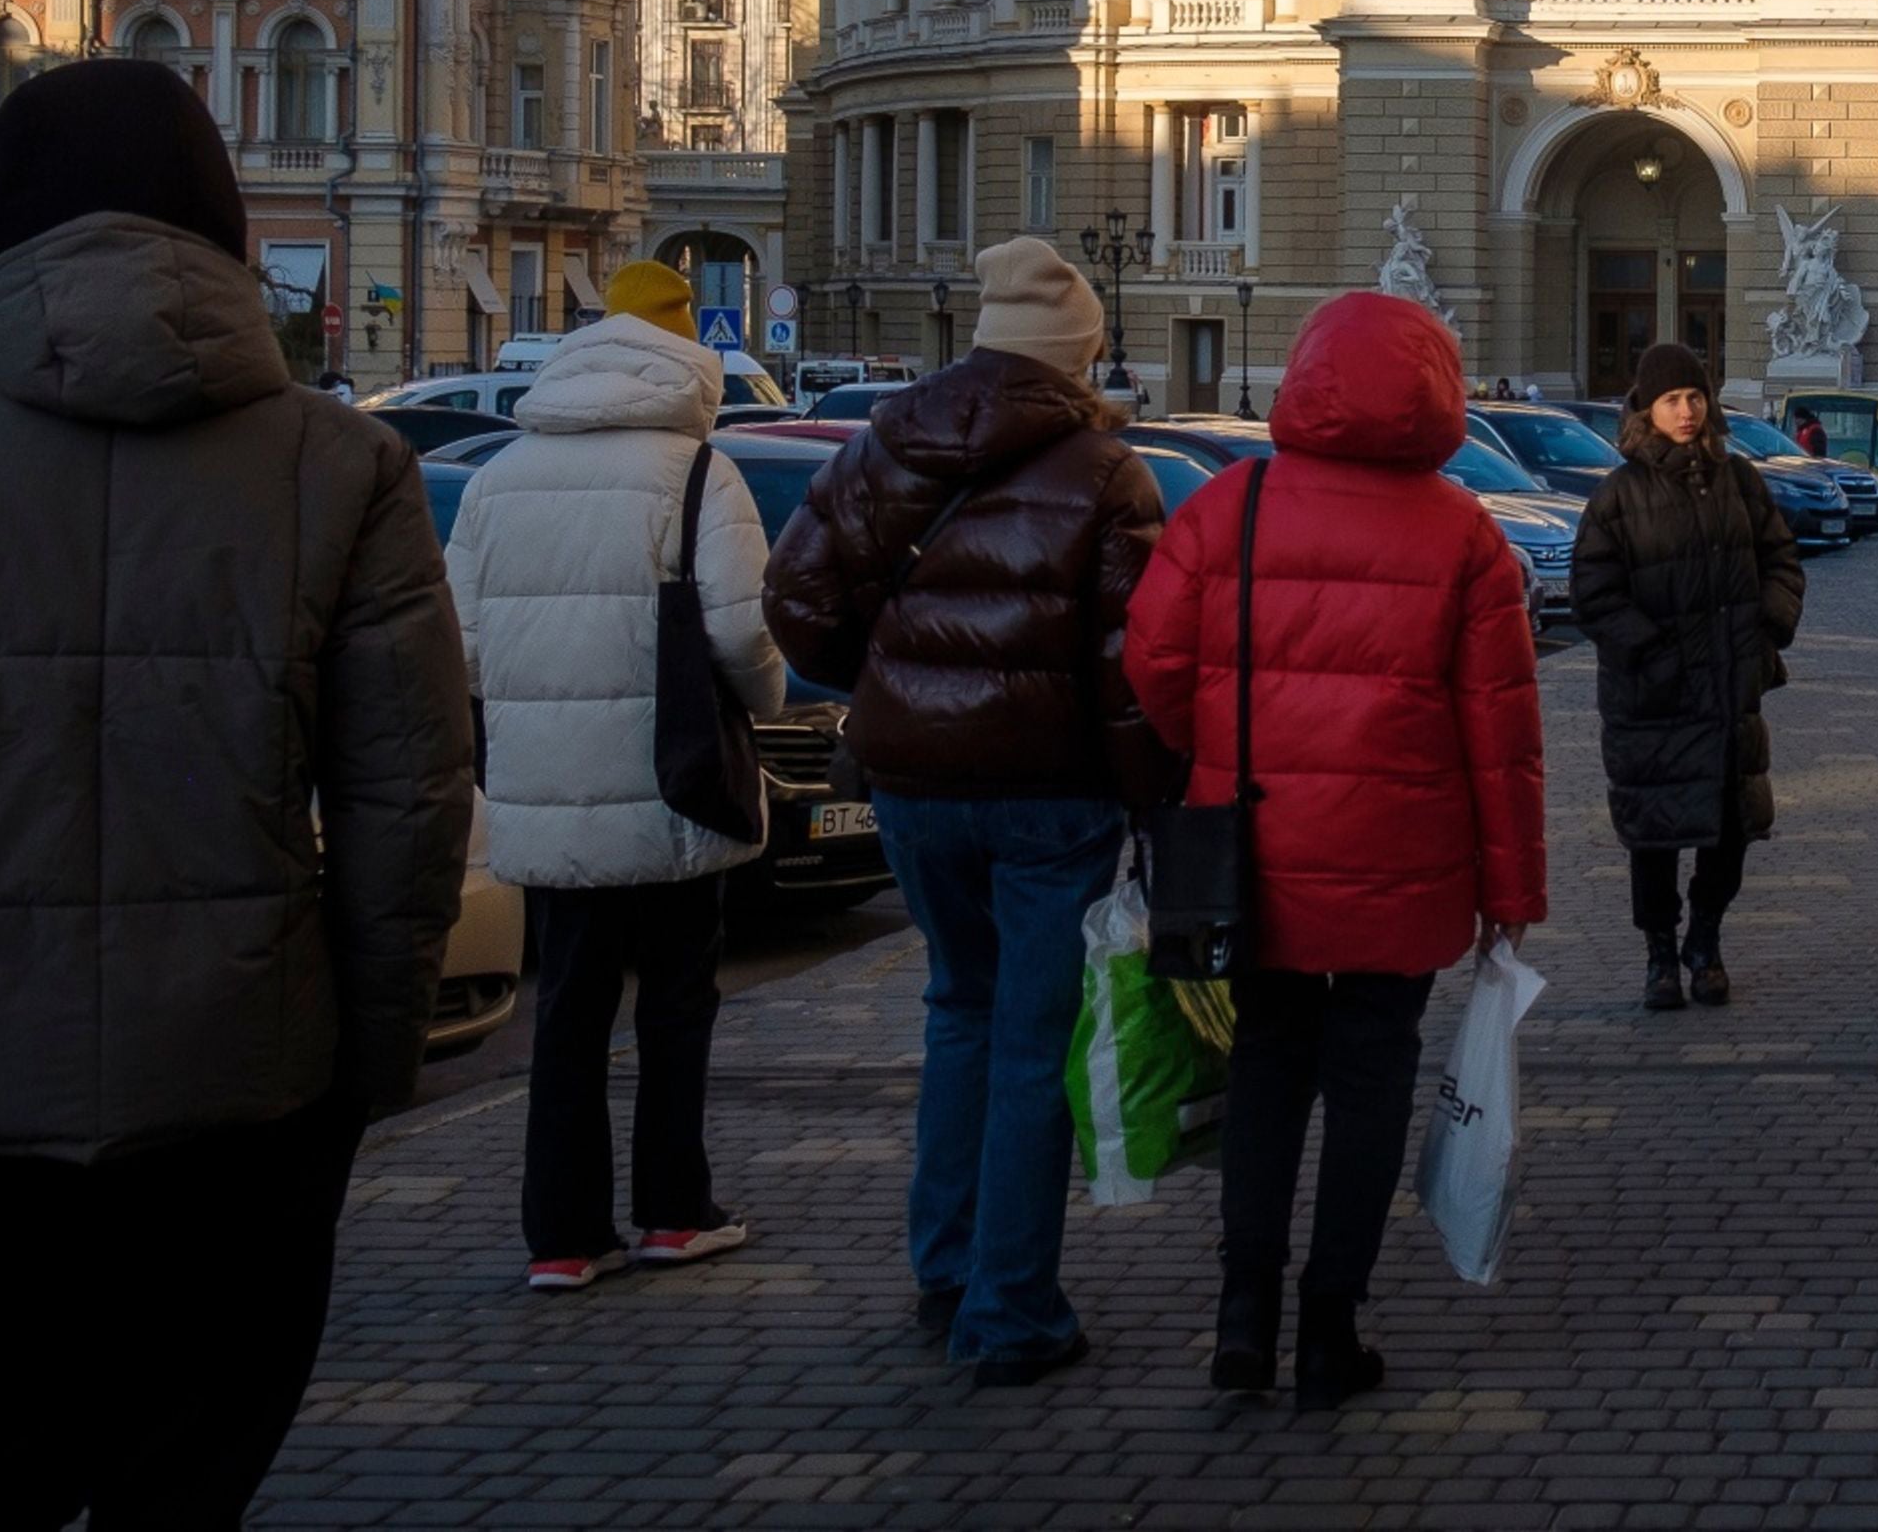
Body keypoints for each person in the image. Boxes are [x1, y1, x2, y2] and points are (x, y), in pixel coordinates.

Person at [0, 57, 470, 1530]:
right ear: (227, 228)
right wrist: (366, 1071)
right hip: (234, 1116)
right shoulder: (348, 462)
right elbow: (407, 809)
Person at [1127, 291, 1547, 1411]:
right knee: (1369, 1088)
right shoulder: (1462, 529)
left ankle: (1238, 1322)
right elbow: (1499, 733)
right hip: (1401, 865)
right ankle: (1328, 1331)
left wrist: (1211, 748)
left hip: (1249, 852)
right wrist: (1511, 890)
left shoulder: (1229, 505)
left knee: (1265, 1073)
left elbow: (1153, 669)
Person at [764, 238, 1169, 1389]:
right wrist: (1149, 797)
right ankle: (1011, 1311)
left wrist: (893, 684)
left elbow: (796, 601)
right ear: (1077, 355)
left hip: (915, 787)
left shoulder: (884, 438)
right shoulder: (1106, 469)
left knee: (959, 1016)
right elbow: (1126, 664)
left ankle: (945, 1273)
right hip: (1051, 795)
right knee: (1036, 1045)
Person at [448, 256, 783, 1294]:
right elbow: (740, 635)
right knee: (677, 1005)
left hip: (546, 794)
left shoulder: (497, 479)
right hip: (673, 777)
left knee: (569, 1017)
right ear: (692, 357)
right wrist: (764, 706)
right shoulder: (696, 473)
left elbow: (456, 644)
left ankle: (560, 1236)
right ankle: (673, 1214)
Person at [1570, 341, 1800, 1012]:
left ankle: (1706, 937)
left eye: (1696, 396)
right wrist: (1654, 653)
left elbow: (1781, 558)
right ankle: (1661, 954)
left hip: (1730, 691)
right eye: (1672, 398)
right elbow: (1595, 594)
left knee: (1729, 830)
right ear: (1646, 408)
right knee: (1656, 834)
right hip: (1655, 698)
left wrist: (1766, 632)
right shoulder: (1618, 497)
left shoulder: (1740, 481)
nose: (1687, 409)